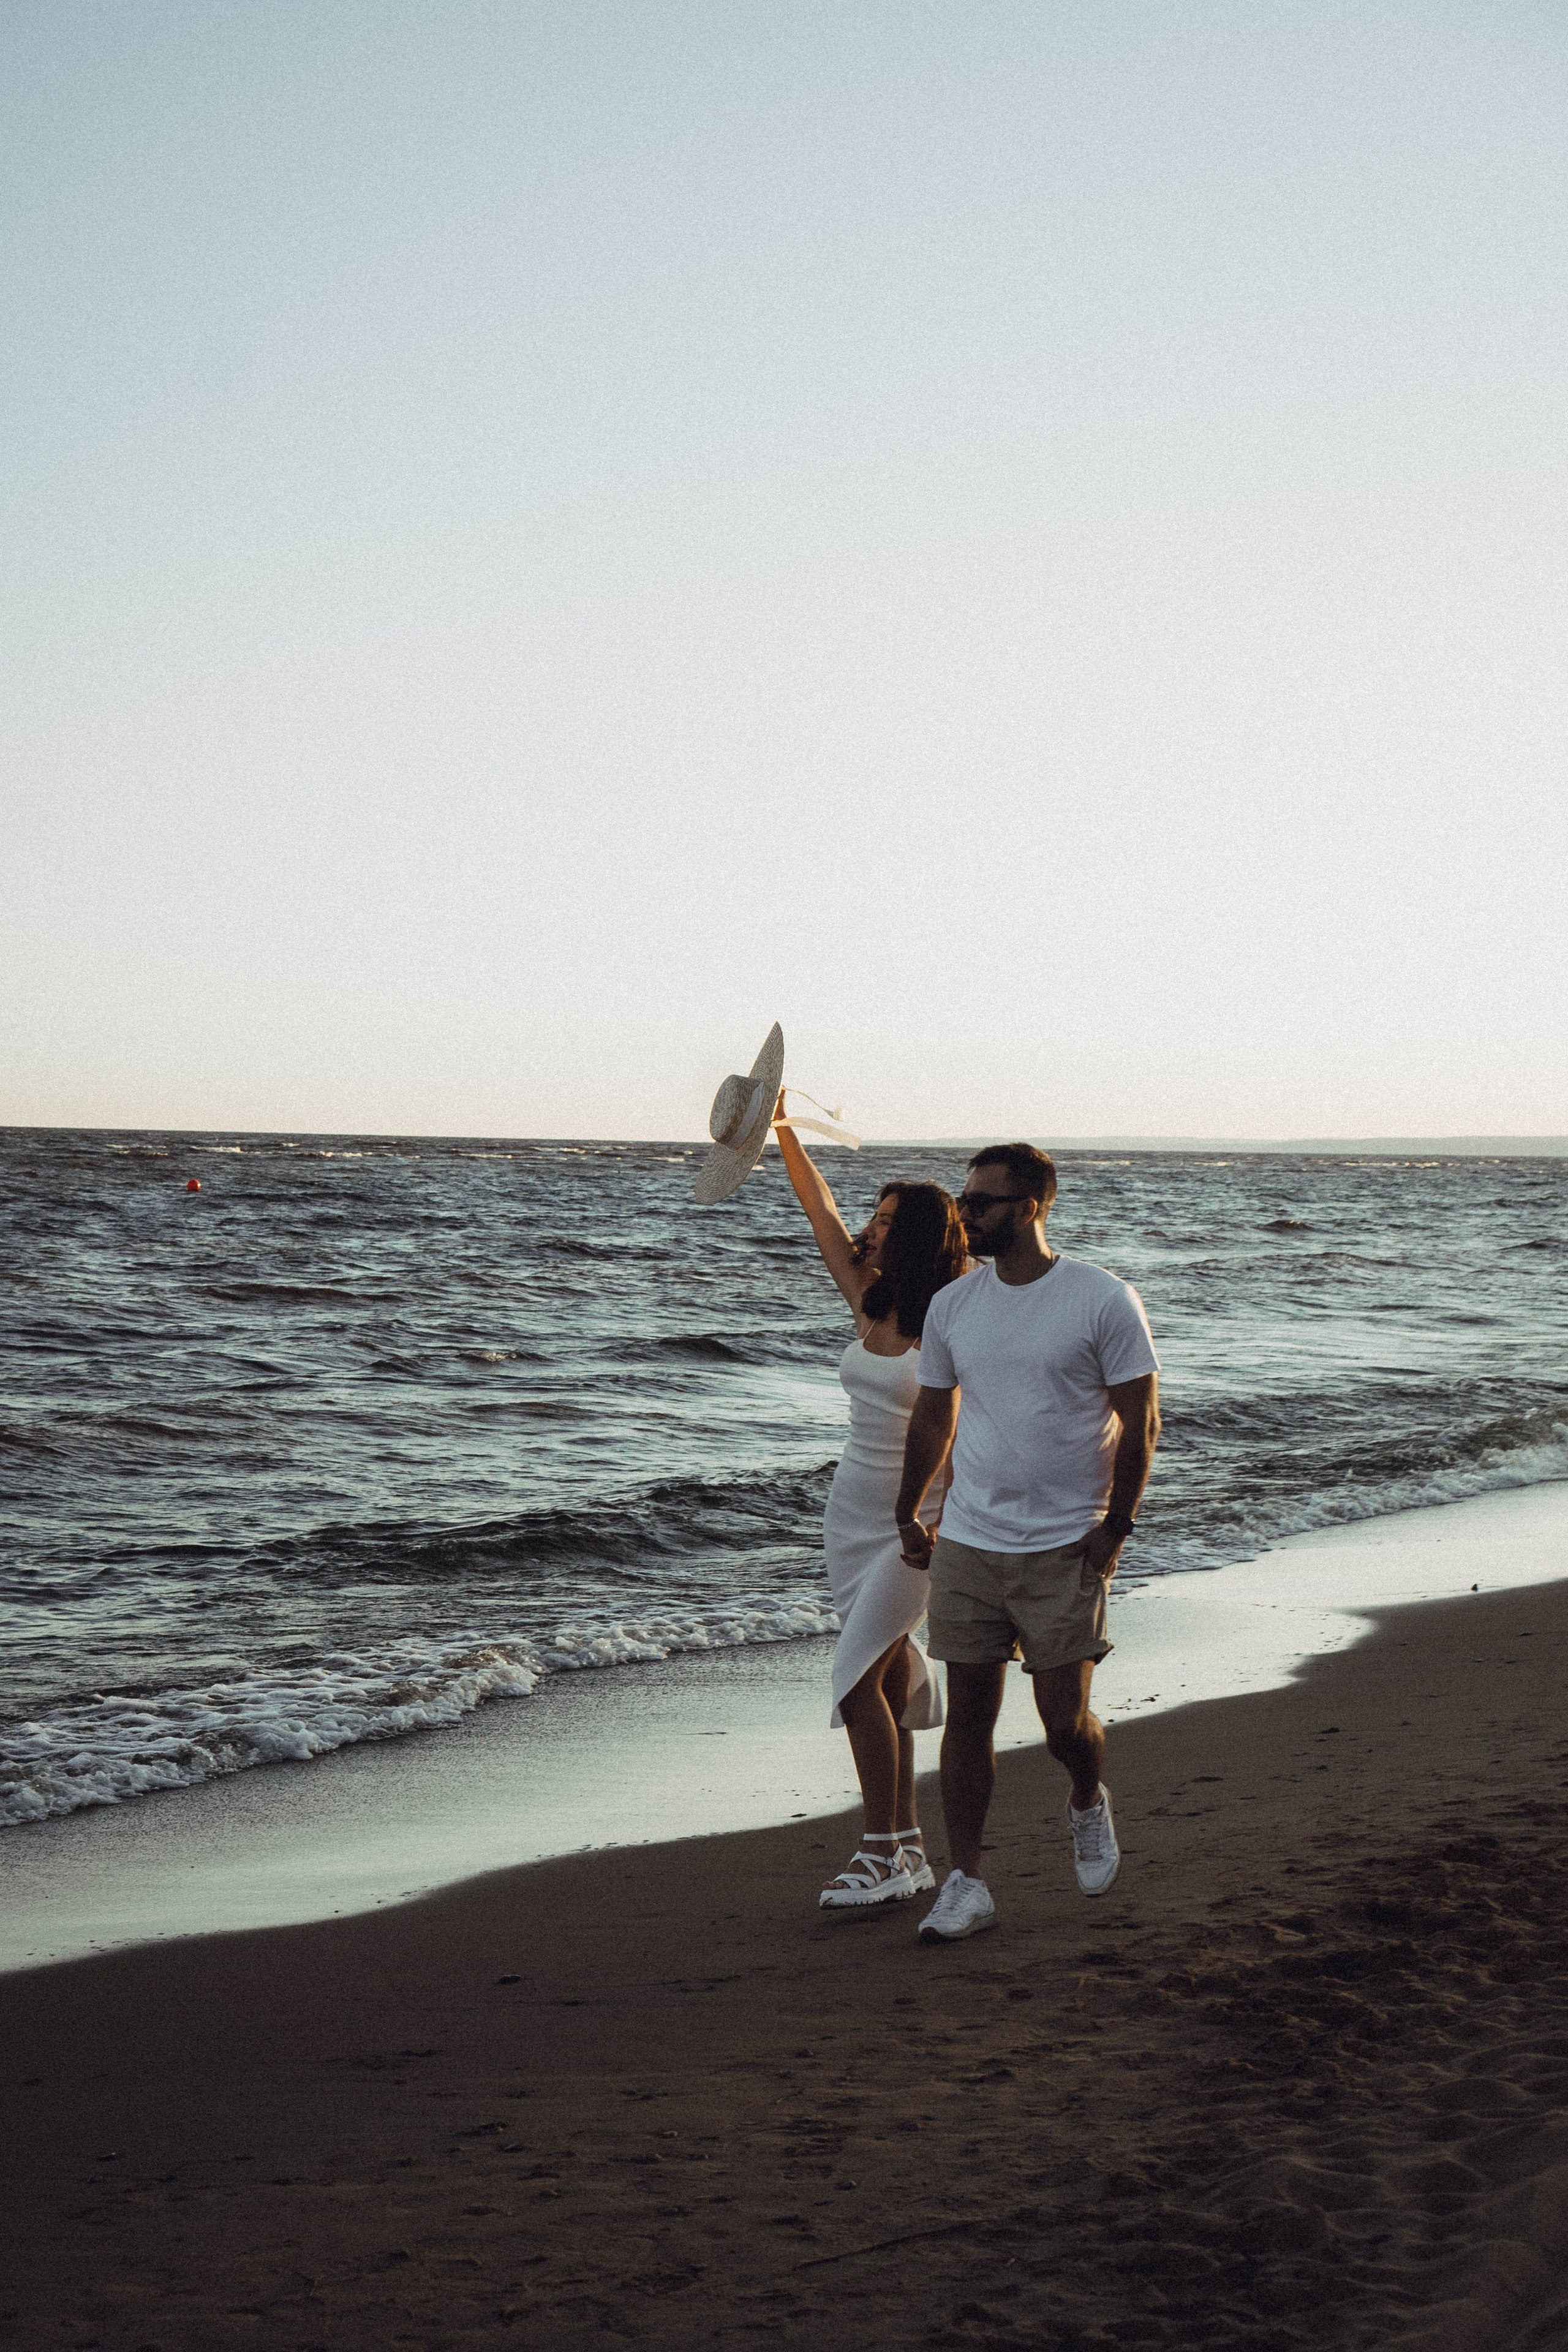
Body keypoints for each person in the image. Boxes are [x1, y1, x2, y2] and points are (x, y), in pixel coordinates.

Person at [894, 1142, 1160, 1940]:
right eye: (964, 1200)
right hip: (971, 1539)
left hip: (1065, 1543)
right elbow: (935, 1412)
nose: (966, 1215)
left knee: (1063, 1726)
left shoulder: (1102, 1299)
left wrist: (1117, 1526)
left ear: (1031, 1208)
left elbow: (1140, 1418)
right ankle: (966, 1880)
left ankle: (1087, 1799)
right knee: (969, 1716)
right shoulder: (953, 1307)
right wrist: (910, 1508)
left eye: (983, 1202)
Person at [774, 1100, 969, 1910]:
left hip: (917, 1523)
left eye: (888, 1219)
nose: (872, 1227)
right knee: (880, 1676)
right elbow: (817, 1206)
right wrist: (780, 1131)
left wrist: (938, 1517)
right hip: (849, 1512)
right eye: (875, 1215)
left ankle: (880, 1849)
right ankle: (910, 1852)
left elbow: (965, 1426)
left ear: (920, 1232)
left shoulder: (956, 1316)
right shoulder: (872, 1300)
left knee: (855, 1678)